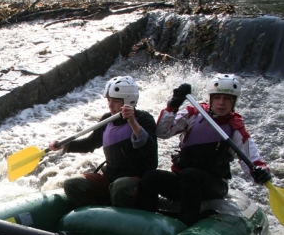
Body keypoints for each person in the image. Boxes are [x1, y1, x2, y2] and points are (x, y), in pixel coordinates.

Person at [137, 74, 271, 226]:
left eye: (227, 98)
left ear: (233, 102)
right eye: (217, 97)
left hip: (213, 185)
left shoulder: (235, 128)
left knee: (190, 175)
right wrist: (174, 104)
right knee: (151, 177)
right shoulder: (193, 114)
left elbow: (252, 160)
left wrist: (261, 172)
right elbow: (162, 132)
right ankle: (144, 225)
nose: (221, 103)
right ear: (211, 99)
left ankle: (186, 226)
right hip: (183, 180)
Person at [49, 75, 157, 209]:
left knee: (121, 186)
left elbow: (150, 150)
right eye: (109, 100)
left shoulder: (144, 119)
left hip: (136, 180)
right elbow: (89, 143)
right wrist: (64, 145)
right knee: (72, 183)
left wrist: (132, 122)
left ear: (129, 101)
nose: (110, 105)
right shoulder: (107, 119)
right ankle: (94, 216)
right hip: (110, 177)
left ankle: (120, 221)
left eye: (116, 101)